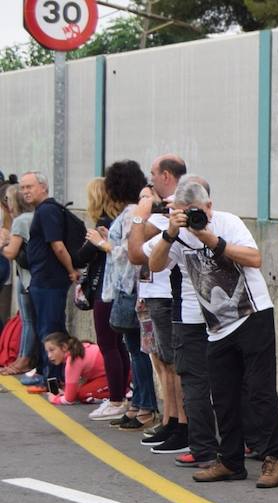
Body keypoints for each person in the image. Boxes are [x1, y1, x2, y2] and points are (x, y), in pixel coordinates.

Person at [145, 176, 278, 487]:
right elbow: (153, 265)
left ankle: (274, 458)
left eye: (198, 211)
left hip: (253, 314)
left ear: (209, 206)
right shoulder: (176, 234)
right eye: (185, 212)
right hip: (217, 327)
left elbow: (255, 258)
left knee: (259, 391)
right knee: (222, 397)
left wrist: (211, 239)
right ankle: (230, 462)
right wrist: (170, 233)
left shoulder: (227, 223)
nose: (194, 218)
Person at [130, 156, 190, 454]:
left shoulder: (170, 209)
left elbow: (135, 252)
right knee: (162, 362)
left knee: (174, 364)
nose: (148, 180)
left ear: (166, 175)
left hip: (168, 295)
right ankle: (171, 420)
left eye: (153, 174)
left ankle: (183, 425)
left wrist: (140, 214)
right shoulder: (163, 210)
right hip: (154, 293)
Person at [102, 160, 159, 430]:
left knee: (137, 349)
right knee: (134, 348)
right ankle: (139, 403)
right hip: (132, 286)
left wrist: (104, 244)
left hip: (131, 287)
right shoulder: (133, 211)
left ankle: (144, 405)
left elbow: (128, 252)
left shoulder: (132, 213)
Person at [74, 177, 129, 422]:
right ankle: (122, 394)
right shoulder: (119, 221)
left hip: (105, 290)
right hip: (118, 289)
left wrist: (95, 241)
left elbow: (81, 257)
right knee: (120, 345)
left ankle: (116, 398)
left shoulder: (103, 224)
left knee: (108, 345)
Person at [17, 171, 76, 389]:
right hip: (43, 280)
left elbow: (57, 245)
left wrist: (71, 270)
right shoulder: (42, 211)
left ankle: (52, 378)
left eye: (29, 187)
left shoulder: (48, 211)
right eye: (22, 188)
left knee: (50, 330)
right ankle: (48, 373)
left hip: (50, 281)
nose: (25, 192)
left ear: (43, 187)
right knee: (46, 327)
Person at [0, 183, 36, 376]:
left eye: (9, 200)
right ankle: (23, 358)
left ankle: (23, 359)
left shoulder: (21, 220)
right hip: (30, 275)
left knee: (28, 320)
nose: (7, 204)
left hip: (27, 276)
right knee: (28, 320)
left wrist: (3, 243)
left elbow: (11, 252)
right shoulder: (33, 217)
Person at [40, 331, 108, 405]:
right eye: (47, 352)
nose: (49, 355)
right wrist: (67, 393)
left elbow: (69, 400)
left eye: (52, 350)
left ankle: (117, 395)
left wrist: (55, 399)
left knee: (83, 395)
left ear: (64, 347)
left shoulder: (72, 360)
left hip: (110, 376)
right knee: (78, 391)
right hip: (106, 375)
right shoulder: (77, 349)